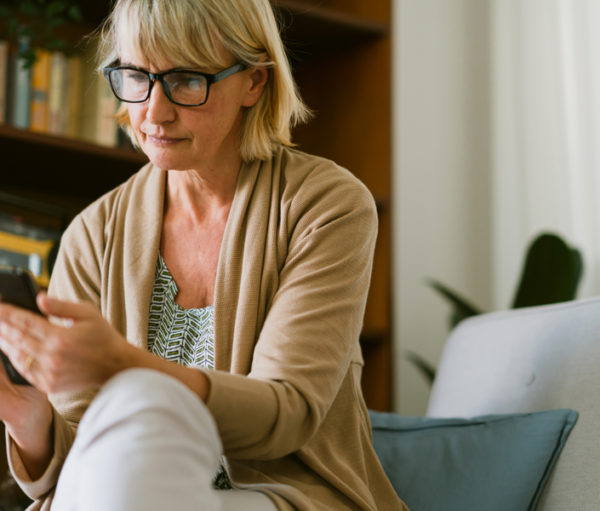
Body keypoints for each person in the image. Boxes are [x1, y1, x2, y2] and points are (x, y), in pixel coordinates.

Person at [0, 0, 408, 510]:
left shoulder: (327, 205)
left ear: (255, 82)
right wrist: (29, 418)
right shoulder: (93, 233)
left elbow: (288, 414)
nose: (152, 111)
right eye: (134, 76)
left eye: (187, 81)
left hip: (274, 497)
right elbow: (80, 461)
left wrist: (123, 369)